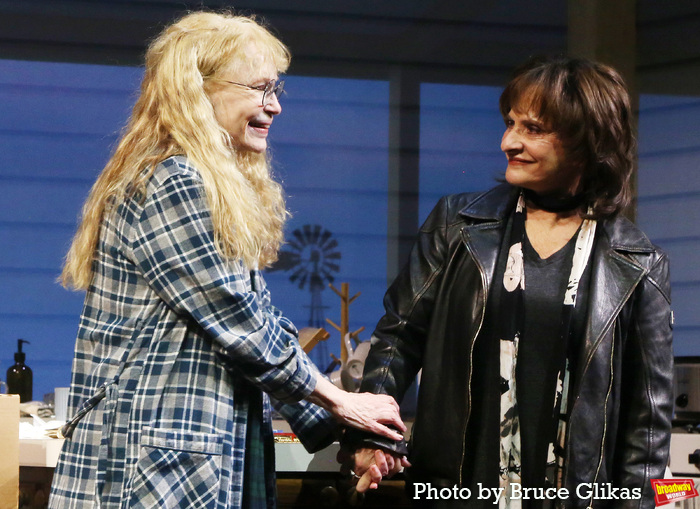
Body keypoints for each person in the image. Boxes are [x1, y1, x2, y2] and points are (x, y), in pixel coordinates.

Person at [48, 11, 405, 509]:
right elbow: (236, 319)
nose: (275, 106)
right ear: (200, 90)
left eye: (277, 90)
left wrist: (338, 427)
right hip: (155, 463)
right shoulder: (174, 181)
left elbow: (257, 322)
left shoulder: (202, 184)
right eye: (261, 89)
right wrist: (340, 401)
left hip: (191, 446)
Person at [345, 56, 673, 509]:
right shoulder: (457, 224)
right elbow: (398, 339)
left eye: (533, 129)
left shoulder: (638, 263)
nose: (508, 142)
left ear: (587, 141)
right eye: (510, 123)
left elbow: (648, 424)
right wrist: (372, 436)